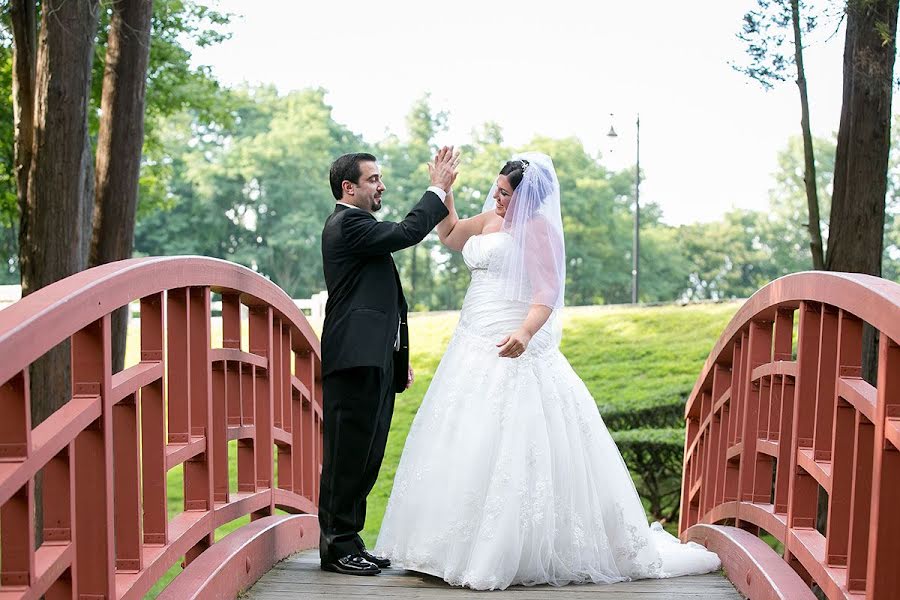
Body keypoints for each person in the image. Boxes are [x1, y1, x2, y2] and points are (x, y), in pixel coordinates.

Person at [374, 152, 721, 590]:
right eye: (496, 191)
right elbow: (449, 235)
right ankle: (440, 550)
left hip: (512, 343)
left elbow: (547, 294)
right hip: (470, 345)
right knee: (462, 437)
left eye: (505, 194)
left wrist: (524, 332)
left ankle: (500, 553)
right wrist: (447, 189)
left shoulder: (537, 230)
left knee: (512, 443)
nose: (497, 199)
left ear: (526, 197)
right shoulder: (488, 220)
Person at [319, 148, 459, 576]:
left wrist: (396, 357)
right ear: (349, 188)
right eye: (373, 179)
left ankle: (351, 539)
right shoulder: (347, 224)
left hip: (373, 360)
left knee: (367, 454)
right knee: (347, 455)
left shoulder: (362, 228)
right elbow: (408, 231)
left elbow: (382, 303)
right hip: (352, 361)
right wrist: (438, 187)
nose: (381, 186)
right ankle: (336, 546)